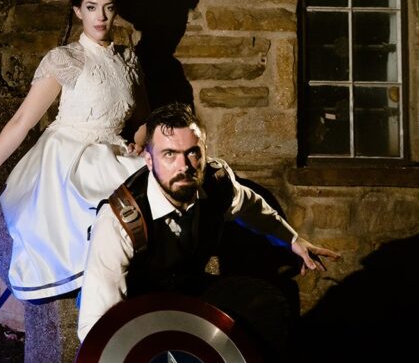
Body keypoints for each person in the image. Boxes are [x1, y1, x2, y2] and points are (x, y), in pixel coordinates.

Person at [0, 0, 149, 301]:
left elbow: (145, 116)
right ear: (77, 11)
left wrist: (140, 143)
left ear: (116, 10)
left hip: (115, 152)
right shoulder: (66, 59)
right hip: (69, 156)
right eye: (91, 7)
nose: (100, 16)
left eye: (108, 7)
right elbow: (21, 122)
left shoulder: (129, 60)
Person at [77, 103, 340, 341]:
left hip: (188, 291)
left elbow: (251, 206)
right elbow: (96, 324)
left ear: (205, 152)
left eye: (193, 153)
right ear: (148, 159)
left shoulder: (216, 182)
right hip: (136, 308)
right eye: (169, 154)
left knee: (264, 304)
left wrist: (292, 240)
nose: (184, 166)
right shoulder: (120, 219)